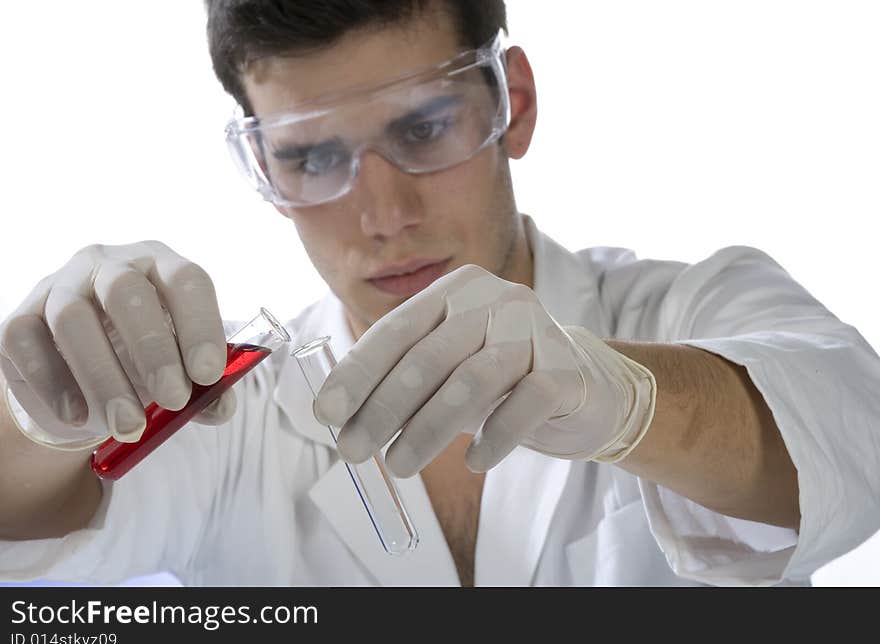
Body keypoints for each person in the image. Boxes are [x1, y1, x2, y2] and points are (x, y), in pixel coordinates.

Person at [0, 0, 878, 587]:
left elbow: (853, 436)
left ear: (515, 103)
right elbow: (27, 539)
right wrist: (42, 411)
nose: (382, 214)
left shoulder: (686, 307)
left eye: (422, 128)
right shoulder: (237, 412)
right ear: (264, 169)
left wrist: (627, 401)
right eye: (312, 157)